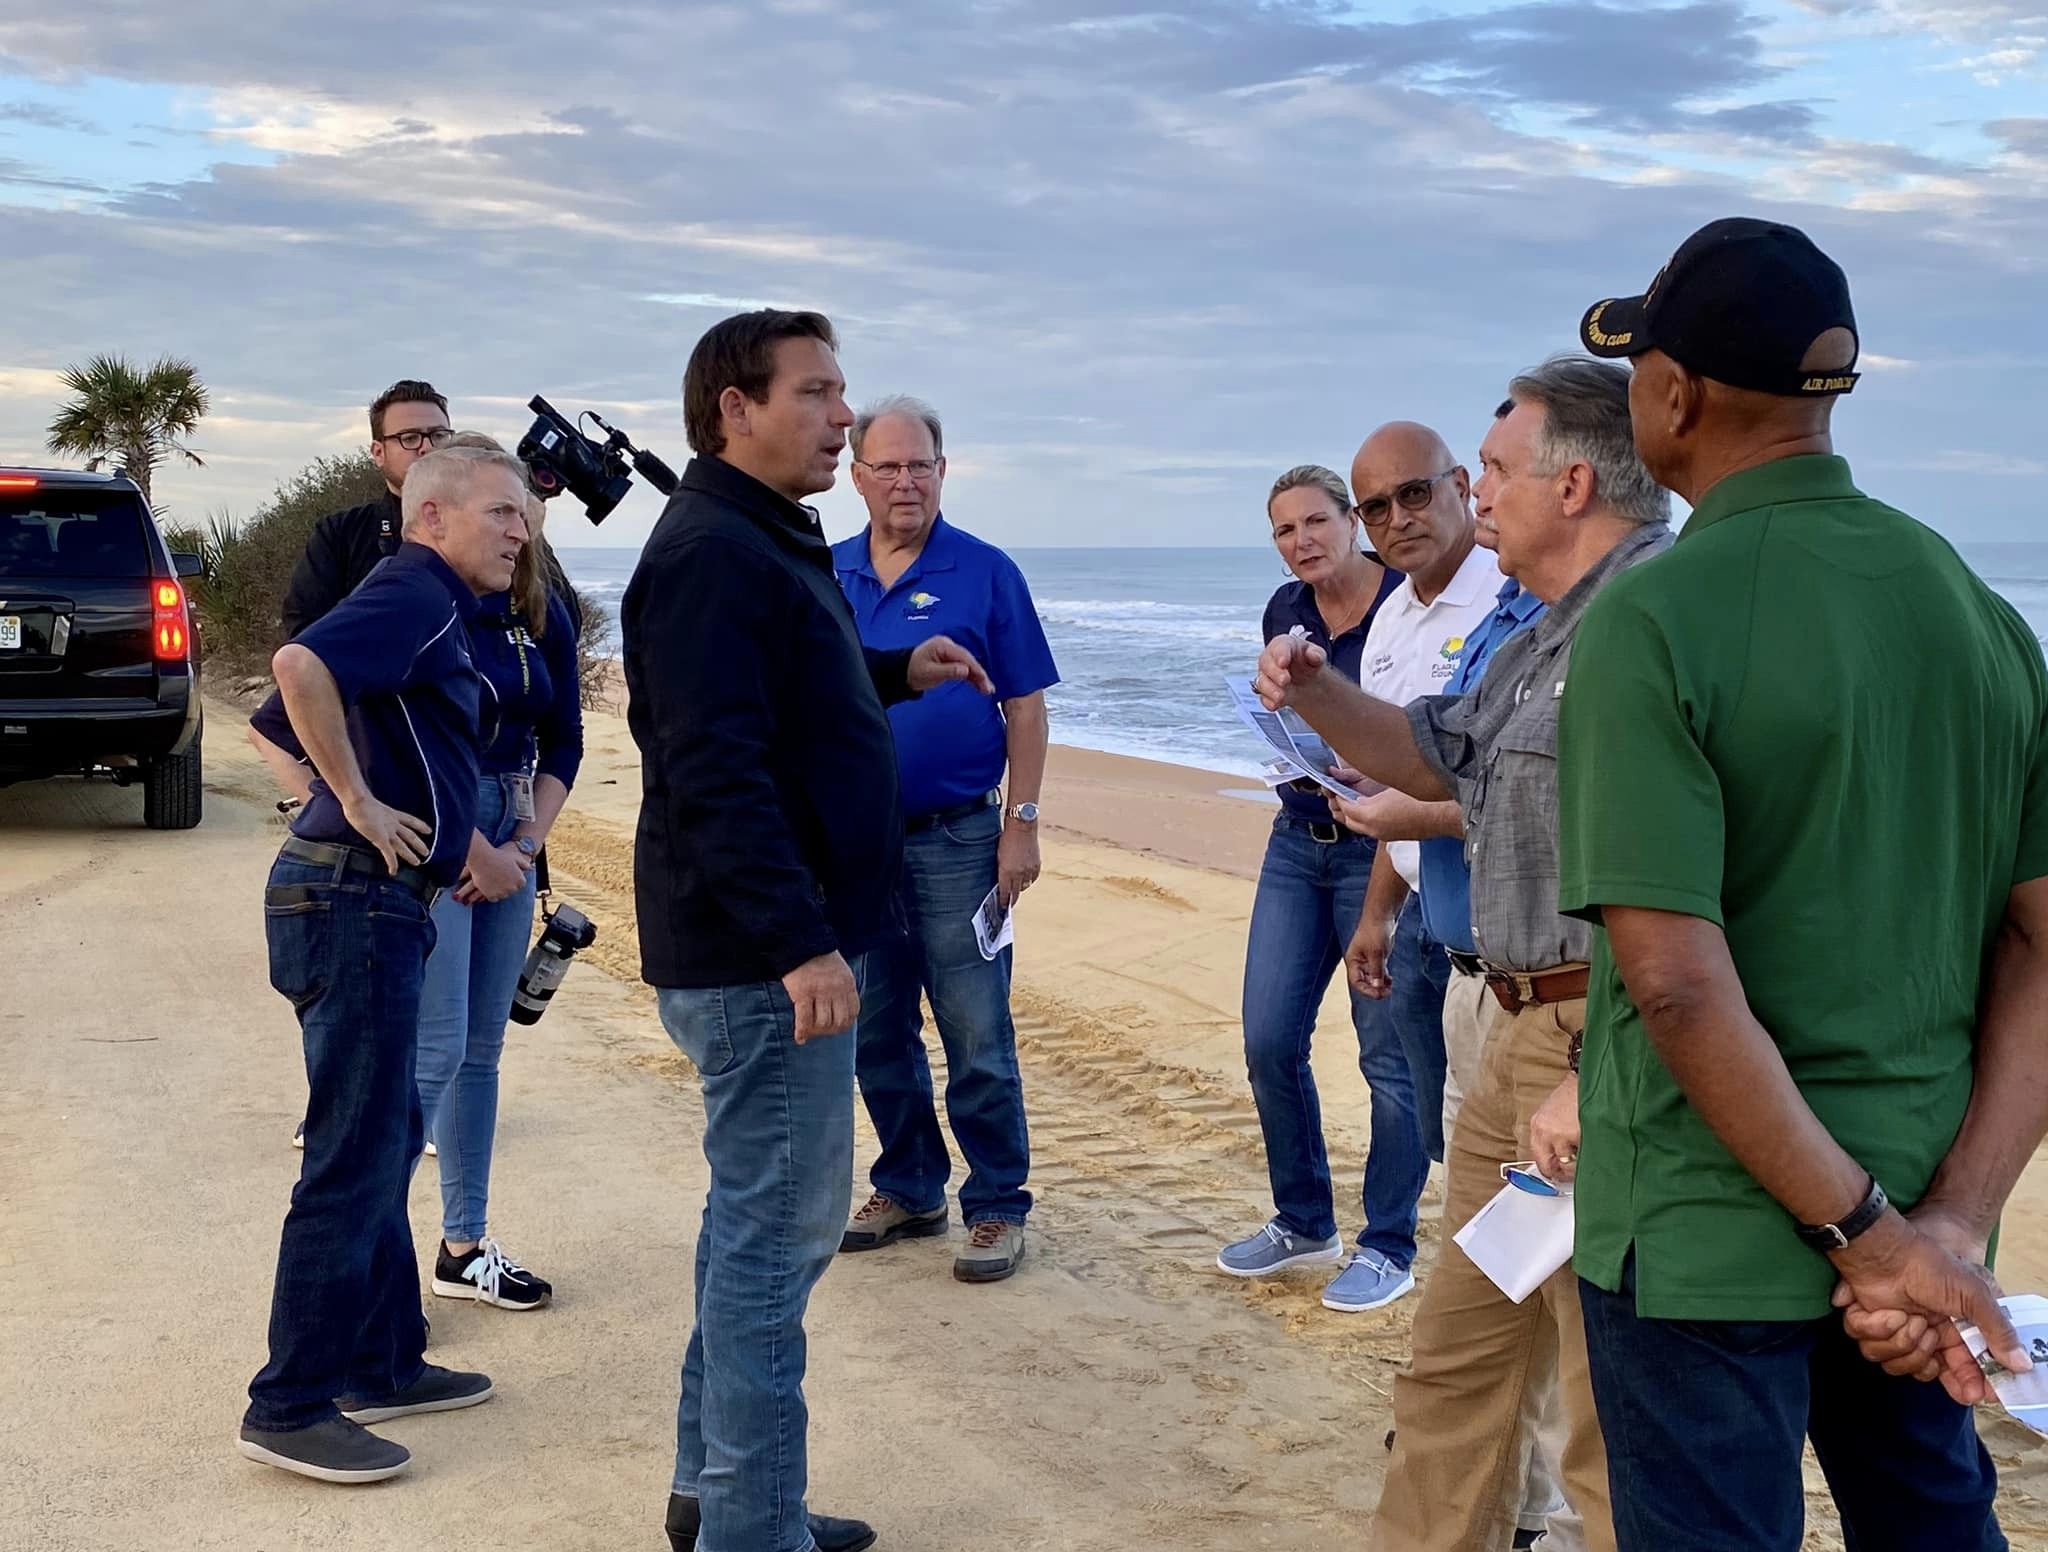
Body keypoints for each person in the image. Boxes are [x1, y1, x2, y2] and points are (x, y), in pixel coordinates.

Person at [1561, 217, 2047, 1550]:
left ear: (1676, 395)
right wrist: (1939, 1223)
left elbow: (1676, 990)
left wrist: (1875, 1238)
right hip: (1917, 1210)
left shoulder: (1653, 618)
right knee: (1933, 1523)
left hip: (1709, 1231)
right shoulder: (1978, 612)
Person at [1254, 358, 1673, 1552]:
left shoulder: (1655, 618)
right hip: (1518, 1017)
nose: (1472, 496)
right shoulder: (1544, 626)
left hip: (1603, 1032)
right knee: (1457, 1351)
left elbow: (1695, 888)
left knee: (1605, 1385)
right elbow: (1432, 752)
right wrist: (1308, 692)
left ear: (1574, 482)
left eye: (1488, 471)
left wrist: (1591, 1070)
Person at [624, 310, 993, 1552]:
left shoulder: (756, 537)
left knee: (751, 1236)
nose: (845, 417)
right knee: (771, 1254)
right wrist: (798, 940)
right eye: (819, 393)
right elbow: (713, 765)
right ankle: (751, 1525)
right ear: (735, 406)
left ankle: (715, 1496)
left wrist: (897, 672)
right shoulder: (711, 555)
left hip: (757, 950)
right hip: (754, 963)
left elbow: (786, 685)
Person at [236, 445, 532, 1484]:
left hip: (367, 901)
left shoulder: (420, 600)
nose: (518, 530)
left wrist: (350, 776)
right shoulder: (417, 590)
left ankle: (383, 1359)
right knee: (355, 1149)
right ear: (433, 515)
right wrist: (355, 800)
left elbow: (284, 721)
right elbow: (295, 674)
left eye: (525, 515)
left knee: (384, 1133)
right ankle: (290, 1403)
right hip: (352, 895)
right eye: (500, 510)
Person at [831, 395, 1058, 1285]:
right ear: (856, 477)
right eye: (886, 466)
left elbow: (1027, 704)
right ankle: (909, 1185)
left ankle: (997, 1203)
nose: (904, 481)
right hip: (856, 846)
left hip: (962, 840)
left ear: (942, 471)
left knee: (974, 1030)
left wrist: (1022, 827)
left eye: (919, 464)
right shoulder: (830, 571)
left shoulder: (984, 571)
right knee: (874, 1030)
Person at [1215, 464, 1417, 1314]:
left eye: (1315, 522)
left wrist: (1369, 761)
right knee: (1267, 1039)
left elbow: (1420, 737)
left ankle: (1389, 1243)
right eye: (1284, 530)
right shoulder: (1285, 609)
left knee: (1388, 1058)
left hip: (1384, 850)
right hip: (1299, 838)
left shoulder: (1405, 604)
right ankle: (1304, 1220)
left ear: (1352, 521)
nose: (1302, 541)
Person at [279, 379, 454, 640]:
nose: (427, 447)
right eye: (410, 438)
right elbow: (304, 632)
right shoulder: (340, 534)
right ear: (378, 452)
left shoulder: (488, 526)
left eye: (439, 435)